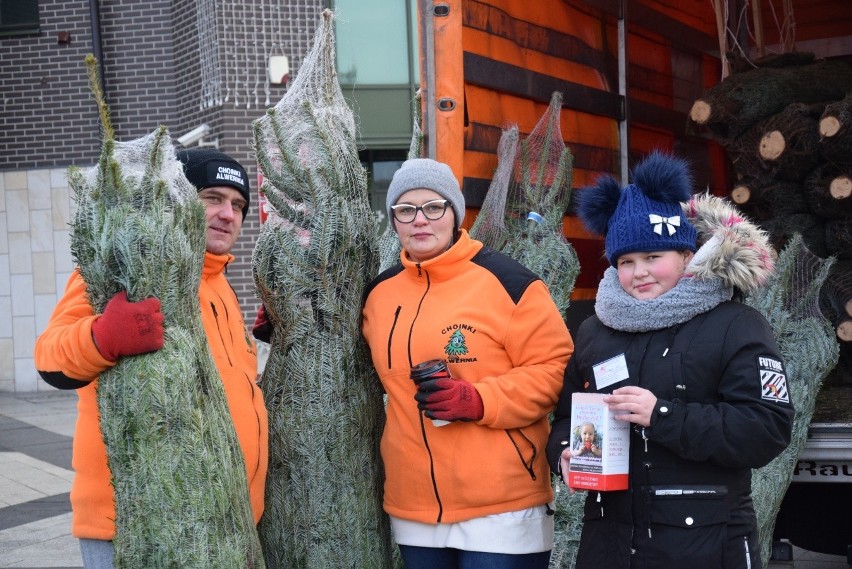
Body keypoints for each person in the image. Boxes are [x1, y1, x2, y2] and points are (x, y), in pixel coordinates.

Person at [546, 151, 794, 569]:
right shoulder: (594, 330)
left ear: (685, 256)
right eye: (626, 262)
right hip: (608, 545)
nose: (639, 272)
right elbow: (562, 417)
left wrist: (660, 414)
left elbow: (767, 429)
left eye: (652, 258)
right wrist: (566, 452)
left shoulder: (736, 324)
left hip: (706, 544)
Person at [33, 147, 268, 568]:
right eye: (212, 197)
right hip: (135, 524)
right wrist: (103, 337)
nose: (228, 214)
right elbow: (50, 357)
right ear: (177, 200)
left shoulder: (222, 287)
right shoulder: (124, 269)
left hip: (222, 522)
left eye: (238, 205)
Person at [361, 158, 574, 569]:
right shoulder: (379, 296)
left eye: (433, 207)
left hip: (503, 507)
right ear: (393, 220)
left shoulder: (509, 283)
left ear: (455, 213)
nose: (420, 220)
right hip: (415, 506)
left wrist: (480, 399)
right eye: (405, 210)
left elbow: (553, 370)